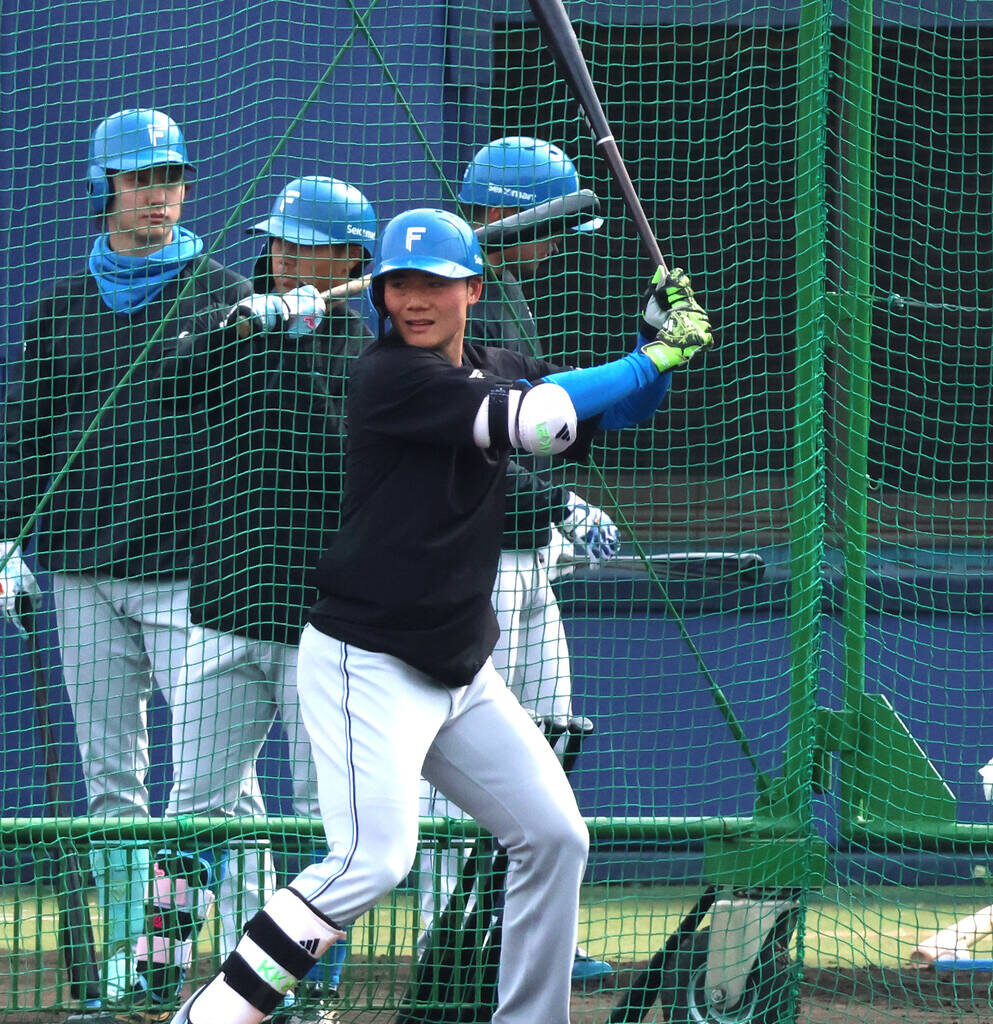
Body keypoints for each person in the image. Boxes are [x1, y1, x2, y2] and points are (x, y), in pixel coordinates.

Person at [168, 207, 713, 1024]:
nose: (413, 302)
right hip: (367, 661)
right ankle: (208, 1017)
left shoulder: (500, 362)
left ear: (473, 289)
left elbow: (613, 411)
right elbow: (535, 421)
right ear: (381, 294)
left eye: (434, 285)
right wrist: (648, 354)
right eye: (398, 286)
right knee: (371, 860)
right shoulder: (389, 376)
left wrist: (657, 349)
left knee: (554, 837)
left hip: (457, 664)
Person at [0, 108, 253, 1007]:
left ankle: (254, 970)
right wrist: (8, 541)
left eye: (172, 177)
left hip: (192, 579)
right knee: (112, 782)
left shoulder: (227, 296)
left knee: (218, 787)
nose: (159, 194)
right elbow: (27, 440)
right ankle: (127, 965)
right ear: (103, 190)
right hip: (79, 574)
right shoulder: (62, 309)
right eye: (141, 178)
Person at [418, 136, 656, 986]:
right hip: (468, 569)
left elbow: (552, 419)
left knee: (552, 740)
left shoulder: (510, 294)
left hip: (527, 562)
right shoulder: (452, 302)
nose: (559, 240)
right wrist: (557, 502)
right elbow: (475, 430)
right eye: (549, 219)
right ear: (505, 213)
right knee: (457, 768)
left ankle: (536, 939)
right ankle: (443, 947)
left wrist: (651, 352)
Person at [154, 175, 375, 1019]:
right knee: (195, 808)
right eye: (277, 242)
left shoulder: (367, 353)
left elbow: (339, 453)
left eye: (301, 243)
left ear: (346, 258)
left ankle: (308, 987)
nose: (282, 258)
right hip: (221, 608)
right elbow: (171, 389)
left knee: (329, 820)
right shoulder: (239, 328)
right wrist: (242, 327)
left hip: (322, 624)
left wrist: (302, 337)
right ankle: (158, 970)